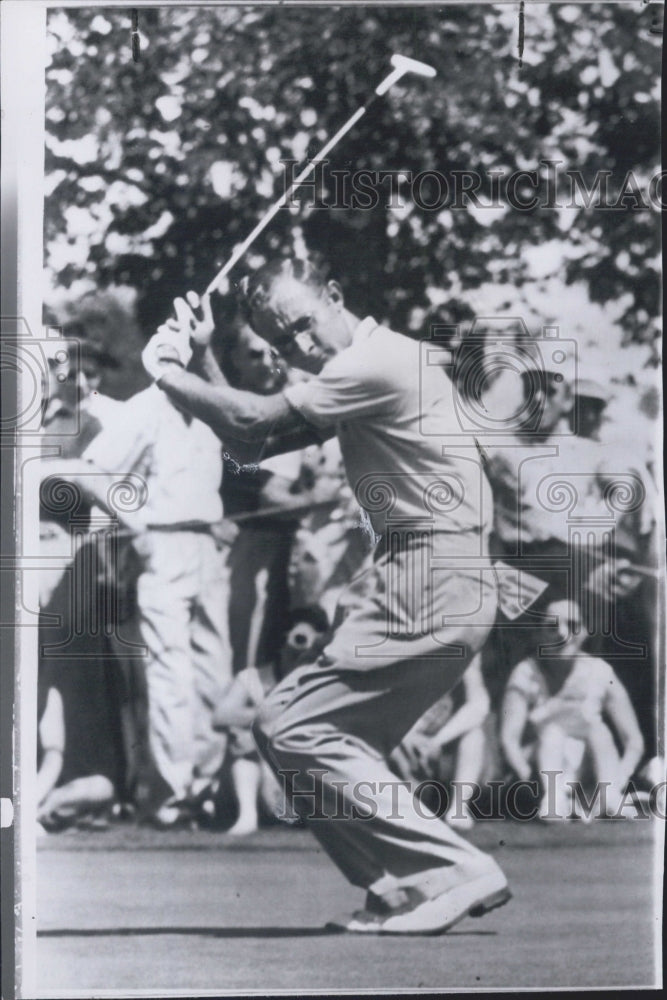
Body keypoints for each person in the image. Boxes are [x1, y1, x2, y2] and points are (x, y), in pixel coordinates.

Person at [141, 258, 509, 935]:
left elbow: (252, 419)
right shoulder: (368, 367)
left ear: (335, 294)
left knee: (290, 724)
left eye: (303, 327)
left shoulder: (375, 364)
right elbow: (252, 444)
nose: (298, 350)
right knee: (286, 727)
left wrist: (167, 373)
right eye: (281, 344)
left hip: (430, 573)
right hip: (431, 575)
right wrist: (199, 356)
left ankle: (455, 869)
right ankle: (396, 887)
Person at [72, 367, 235, 828]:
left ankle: (204, 789)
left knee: (214, 670)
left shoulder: (208, 404)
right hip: (161, 543)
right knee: (171, 672)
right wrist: (138, 525)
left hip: (207, 544)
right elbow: (90, 472)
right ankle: (172, 793)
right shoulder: (145, 408)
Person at [500, 599, 644, 821]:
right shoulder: (526, 673)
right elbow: (509, 740)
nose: (562, 633)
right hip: (539, 771)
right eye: (552, 626)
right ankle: (554, 800)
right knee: (553, 733)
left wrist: (620, 775)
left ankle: (611, 796)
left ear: (585, 631)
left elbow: (633, 740)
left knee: (598, 731)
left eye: (573, 625)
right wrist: (527, 778)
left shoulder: (601, 673)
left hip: (590, 771)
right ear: (539, 634)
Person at [212, 606, 330, 836]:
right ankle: (247, 818)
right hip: (264, 782)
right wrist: (264, 718)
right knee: (244, 741)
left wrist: (267, 727)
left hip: (303, 785)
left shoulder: (324, 681)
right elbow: (220, 716)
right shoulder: (254, 678)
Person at [390, 654, 492, 830]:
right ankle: (404, 806)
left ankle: (458, 808)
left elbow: (479, 705)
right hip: (404, 740)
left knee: (474, 735)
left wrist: (436, 741)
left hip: (442, 744)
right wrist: (408, 736)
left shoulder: (461, 645)